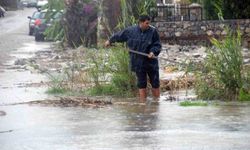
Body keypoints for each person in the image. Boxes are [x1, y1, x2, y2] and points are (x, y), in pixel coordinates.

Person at [104, 15, 162, 102]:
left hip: (151, 62)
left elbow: (157, 44)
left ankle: (157, 103)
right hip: (138, 62)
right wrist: (110, 41)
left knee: (155, 83)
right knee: (141, 84)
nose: (148, 25)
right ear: (141, 23)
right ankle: (143, 105)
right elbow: (119, 35)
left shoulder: (153, 31)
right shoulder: (130, 31)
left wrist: (153, 52)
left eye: (149, 23)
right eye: (147, 23)